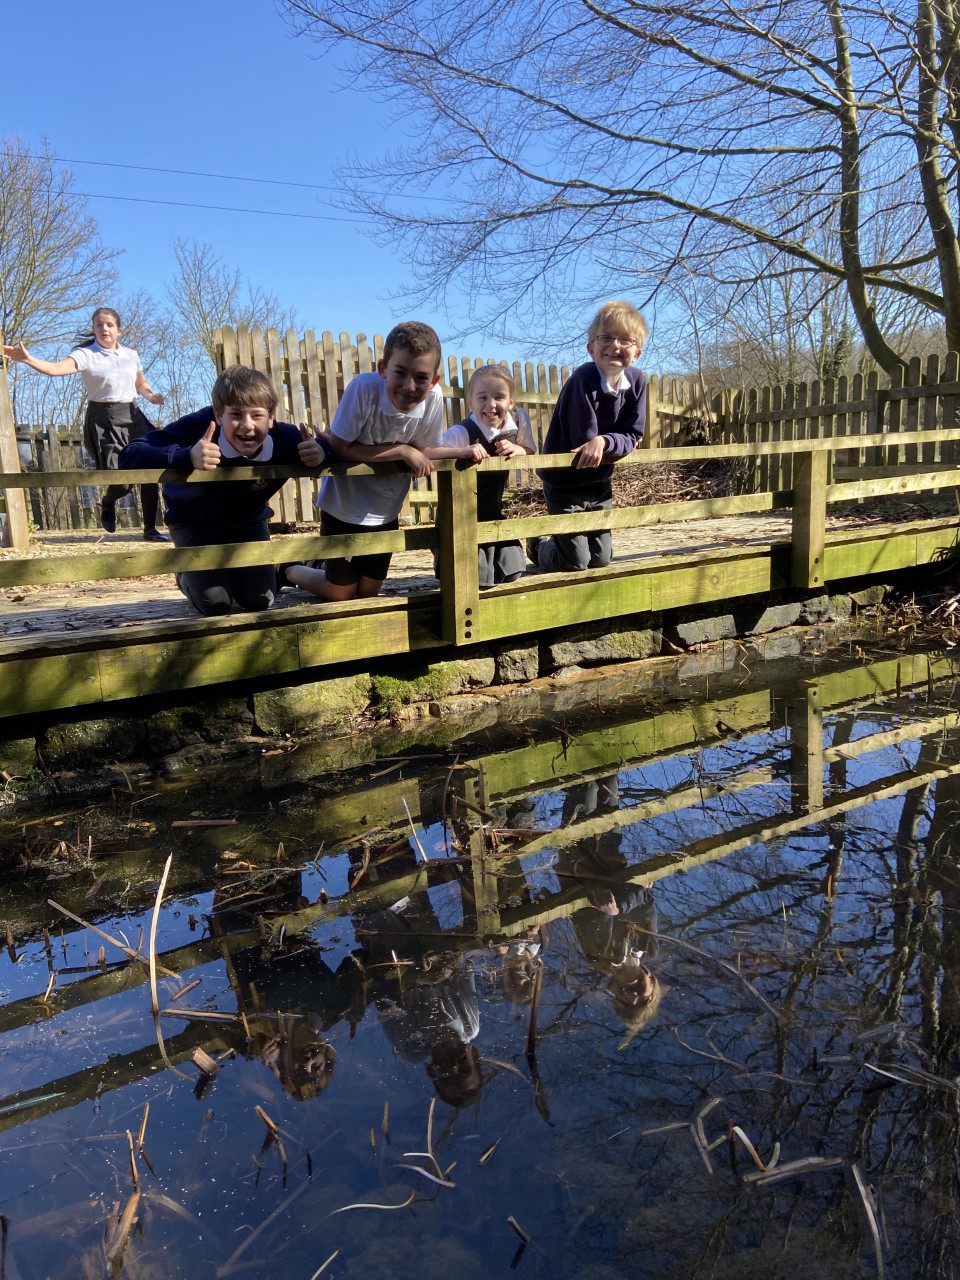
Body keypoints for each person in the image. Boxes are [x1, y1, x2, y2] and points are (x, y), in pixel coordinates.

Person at [119, 365, 329, 616]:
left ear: (271, 417)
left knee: (258, 600)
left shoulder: (287, 438)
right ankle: (187, 574)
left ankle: (278, 568)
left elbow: (336, 449)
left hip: (247, 521)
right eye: (236, 414)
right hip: (193, 522)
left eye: (257, 415)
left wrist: (323, 452)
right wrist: (186, 456)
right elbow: (130, 454)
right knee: (215, 602)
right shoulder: (198, 428)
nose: (247, 425)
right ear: (219, 414)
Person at [286, 320, 454, 602]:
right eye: (399, 373)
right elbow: (340, 447)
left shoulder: (434, 399)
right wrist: (401, 450)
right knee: (340, 593)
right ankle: (289, 569)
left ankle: (323, 566)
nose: (409, 386)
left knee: (367, 592)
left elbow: (424, 449)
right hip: (344, 508)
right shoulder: (363, 390)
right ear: (383, 368)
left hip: (386, 510)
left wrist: (429, 451)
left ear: (434, 380)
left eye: (421, 377)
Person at [3, 307, 169, 541]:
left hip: (133, 416)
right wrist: (28, 358)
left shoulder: (131, 355)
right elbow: (54, 369)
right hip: (103, 419)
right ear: (94, 329)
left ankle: (150, 529)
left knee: (150, 466)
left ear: (119, 330)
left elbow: (140, 383)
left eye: (109, 325)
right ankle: (109, 501)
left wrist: (152, 396)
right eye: (99, 325)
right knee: (121, 483)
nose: (104, 329)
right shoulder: (86, 354)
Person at [527, 299, 648, 572]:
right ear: (591, 347)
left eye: (625, 340)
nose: (615, 346)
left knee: (602, 558)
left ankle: (562, 543)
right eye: (605, 338)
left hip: (600, 480)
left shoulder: (638, 382)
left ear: (637, 352)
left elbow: (634, 432)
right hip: (565, 481)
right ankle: (539, 545)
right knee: (576, 561)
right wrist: (618, 442)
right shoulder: (583, 380)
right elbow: (583, 441)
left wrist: (606, 441)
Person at [436, 365, 536, 587]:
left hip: (492, 511)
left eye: (499, 397)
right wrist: (462, 451)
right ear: (470, 402)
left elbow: (530, 449)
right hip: (459, 516)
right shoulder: (463, 432)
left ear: (511, 402)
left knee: (514, 571)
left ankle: (532, 547)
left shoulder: (518, 422)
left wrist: (518, 450)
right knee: (475, 579)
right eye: (482, 397)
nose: (491, 404)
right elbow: (428, 452)